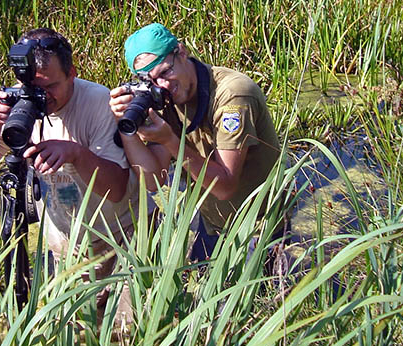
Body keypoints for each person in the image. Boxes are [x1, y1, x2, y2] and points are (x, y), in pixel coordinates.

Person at [0, 28, 141, 326]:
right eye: (32, 87)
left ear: (71, 72)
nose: (41, 97)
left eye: (50, 87)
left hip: (121, 239)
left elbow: (118, 188)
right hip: (68, 247)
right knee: (76, 333)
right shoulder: (20, 103)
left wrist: (76, 153)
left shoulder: (98, 103)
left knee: (125, 334)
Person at [109, 23, 283, 260]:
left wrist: (170, 141)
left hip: (258, 225)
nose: (162, 86)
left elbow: (225, 186)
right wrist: (127, 128)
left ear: (181, 52)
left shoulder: (233, 95)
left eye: (165, 72)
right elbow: (152, 180)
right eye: (151, 81)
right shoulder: (163, 99)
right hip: (212, 221)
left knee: (267, 295)